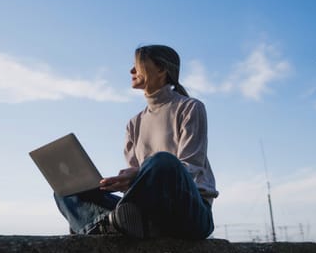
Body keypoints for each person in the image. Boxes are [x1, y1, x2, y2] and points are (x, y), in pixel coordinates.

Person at [54, 45, 218, 239]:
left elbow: (190, 168)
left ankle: (106, 224)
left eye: (138, 65)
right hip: (146, 215)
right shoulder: (134, 123)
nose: (132, 71)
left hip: (188, 212)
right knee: (68, 191)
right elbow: (136, 188)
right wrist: (115, 183)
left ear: (161, 69)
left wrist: (141, 173)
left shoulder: (190, 108)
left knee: (163, 161)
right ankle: (108, 225)